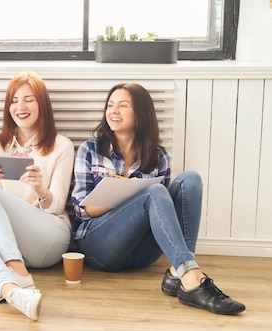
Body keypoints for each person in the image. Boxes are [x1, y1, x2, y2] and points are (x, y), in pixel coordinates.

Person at [70, 82, 245, 315]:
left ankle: (178, 271)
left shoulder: (158, 156)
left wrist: (135, 193)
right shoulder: (89, 150)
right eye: (110, 105)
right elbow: (82, 210)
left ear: (140, 113)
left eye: (123, 105)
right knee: (153, 192)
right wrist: (125, 192)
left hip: (141, 253)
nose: (113, 111)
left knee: (190, 180)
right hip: (99, 247)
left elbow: (163, 214)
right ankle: (191, 277)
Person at [0, 71, 75, 320]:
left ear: (42, 104)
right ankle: (11, 288)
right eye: (14, 101)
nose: (20, 107)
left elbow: (57, 205)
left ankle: (18, 276)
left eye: (29, 99)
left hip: (50, 236)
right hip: (12, 244)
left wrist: (40, 189)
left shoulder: (61, 145)